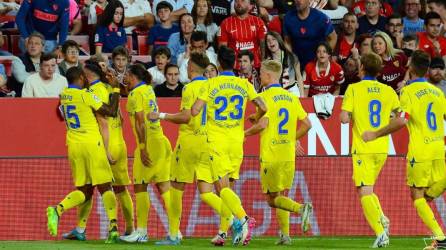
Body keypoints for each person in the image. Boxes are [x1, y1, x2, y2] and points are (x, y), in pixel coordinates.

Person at [362, 50, 446, 249]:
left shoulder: (408, 91)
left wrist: (375, 133)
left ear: (410, 67)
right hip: (438, 148)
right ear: (426, 70)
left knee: (417, 196)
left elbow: (401, 120)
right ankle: (439, 239)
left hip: (421, 151)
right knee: (428, 196)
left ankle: (441, 239)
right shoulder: (437, 91)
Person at [149, 52, 233, 246]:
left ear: (192, 68)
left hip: (189, 141)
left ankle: (173, 235)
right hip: (209, 142)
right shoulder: (213, 86)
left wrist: (161, 115)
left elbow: (186, 116)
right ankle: (236, 219)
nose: (185, 68)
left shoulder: (189, 88)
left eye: (187, 66)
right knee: (206, 191)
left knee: (176, 187)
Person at [190, 46, 267, 246]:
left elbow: (195, 110)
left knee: (221, 188)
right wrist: (254, 116)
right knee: (229, 189)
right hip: (237, 141)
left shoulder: (210, 84)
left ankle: (243, 218)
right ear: (234, 63)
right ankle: (225, 232)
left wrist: (198, 104)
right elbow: (264, 107)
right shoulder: (244, 84)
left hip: (218, 142)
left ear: (218, 64)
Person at [46, 66, 121, 243]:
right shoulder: (86, 95)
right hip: (91, 144)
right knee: (105, 186)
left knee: (85, 190)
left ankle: (58, 209)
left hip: (74, 146)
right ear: (81, 77)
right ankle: (113, 228)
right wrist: (116, 88)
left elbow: (61, 114)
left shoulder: (63, 95)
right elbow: (110, 112)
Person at [61, 62, 135, 240]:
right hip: (104, 143)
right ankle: (80, 229)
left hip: (108, 144)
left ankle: (130, 230)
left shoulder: (95, 91)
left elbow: (104, 121)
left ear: (86, 75)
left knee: (114, 188)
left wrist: (107, 149)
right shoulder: (97, 90)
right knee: (92, 188)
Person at [244, 59, 313, 246]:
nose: (260, 76)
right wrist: (291, 139)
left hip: (271, 154)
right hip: (287, 155)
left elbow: (263, 124)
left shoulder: (264, 97)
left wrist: (246, 133)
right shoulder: (291, 97)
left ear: (268, 75)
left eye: (261, 73)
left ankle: (301, 208)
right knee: (281, 195)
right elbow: (307, 124)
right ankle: (285, 235)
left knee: (271, 199)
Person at [340, 52, 399, 248]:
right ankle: (382, 218)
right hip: (382, 148)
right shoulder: (389, 91)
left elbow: (344, 118)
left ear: (362, 68)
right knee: (368, 189)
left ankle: (381, 233)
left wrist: (349, 114)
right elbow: (400, 116)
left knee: (364, 192)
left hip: (363, 147)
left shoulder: (354, 89)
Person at [119, 64, 173, 243]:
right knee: (164, 186)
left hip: (148, 143)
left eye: (127, 74)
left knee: (140, 186)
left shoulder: (135, 94)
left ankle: (141, 231)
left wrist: (142, 148)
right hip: (161, 140)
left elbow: (140, 122)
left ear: (134, 76)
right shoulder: (148, 89)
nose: (125, 77)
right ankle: (175, 231)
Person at [283, 0, 337, 71]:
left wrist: (324, 56)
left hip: (317, 63)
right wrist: (292, 57)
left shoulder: (320, 18)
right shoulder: (288, 18)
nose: (298, 1)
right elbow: (287, 41)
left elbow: (333, 38)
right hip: (296, 63)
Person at [218, 0, 267, 70]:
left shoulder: (259, 22)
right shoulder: (225, 23)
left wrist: (263, 64)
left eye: (242, 0)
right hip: (234, 68)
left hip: (256, 67)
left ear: (251, 6)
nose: (238, 3)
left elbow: (264, 45)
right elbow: (222, 50)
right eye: (236, 1)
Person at [263, 31, 304, 96]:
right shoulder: (267, 62)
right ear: (266, 45)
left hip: (292, 92)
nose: (271, 42)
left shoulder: (291, 57)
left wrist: (302, 96)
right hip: (276, 93)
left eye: (273, 39)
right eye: (268, 41)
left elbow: (299, 77)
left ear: (279, 40)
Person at [8, 32, 44, 97]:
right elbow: (21, 78)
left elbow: (56, 77)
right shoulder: (17, 59)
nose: (33, 46)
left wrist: (30, 74)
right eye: (30, 43)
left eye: (37, 43)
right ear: (26, 46)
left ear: (42, 47)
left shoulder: (49, 59)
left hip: (45, 95)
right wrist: (43, 74)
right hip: (23, 97)